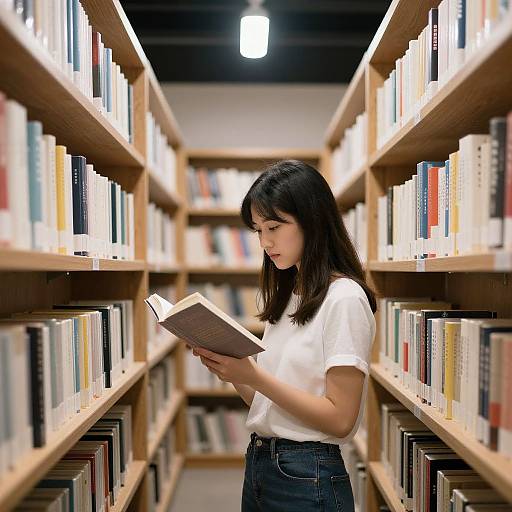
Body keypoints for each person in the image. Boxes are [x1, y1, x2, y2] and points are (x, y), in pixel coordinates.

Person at [192, 160, 376, 512]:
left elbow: (340, 419)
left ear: (313, 220)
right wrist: (233, 372)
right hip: (263, 462)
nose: (265, 241)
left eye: (274, 226)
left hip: (308, 475)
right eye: (258, 230)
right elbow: (270, 404)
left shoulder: (345, 299)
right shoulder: (291, 296)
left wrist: (255, 375)